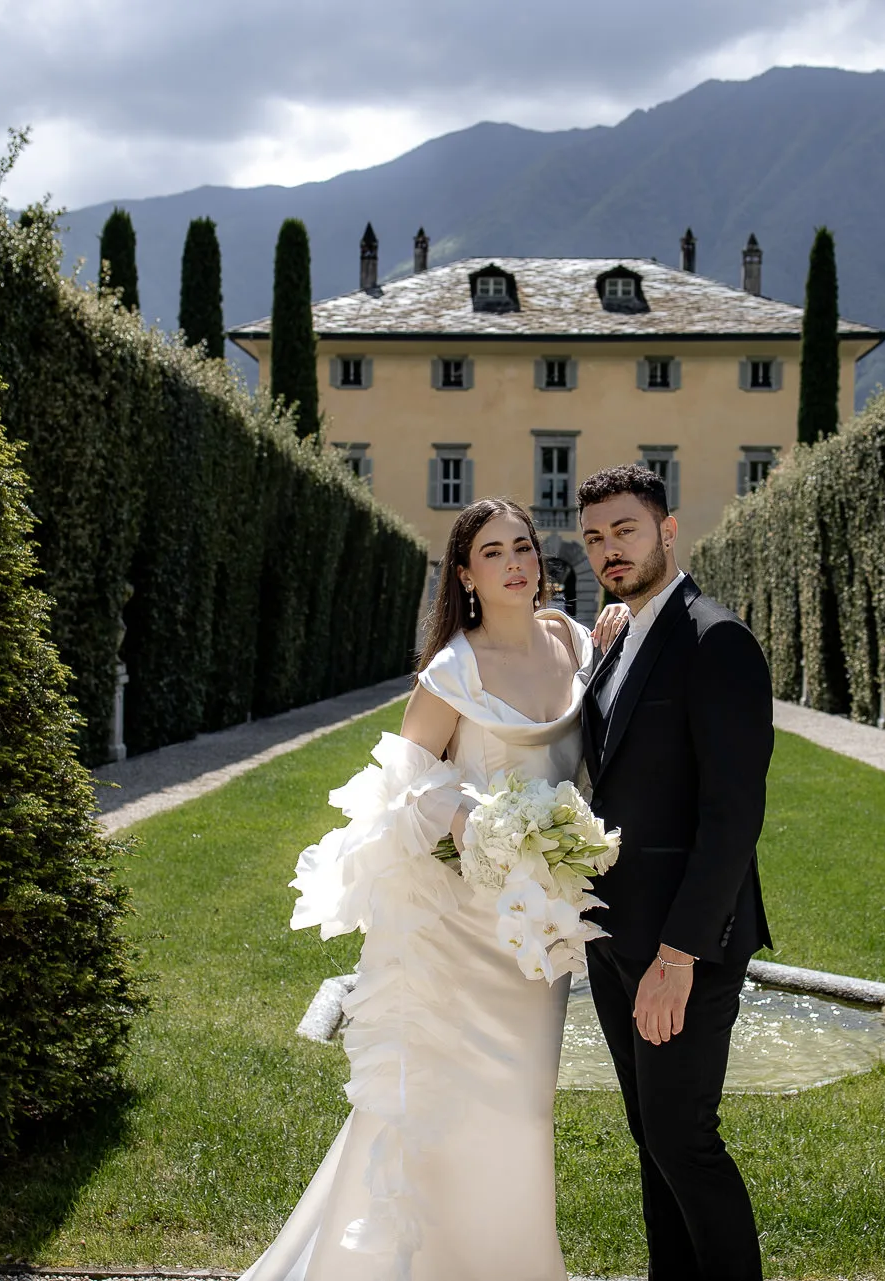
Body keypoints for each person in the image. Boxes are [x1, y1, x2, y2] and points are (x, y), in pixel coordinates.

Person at [242, 496, 625, 1281]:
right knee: (440, 1112)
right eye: (494, 552)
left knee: (524, 1111)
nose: (518, 561)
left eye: (524, 546)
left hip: (537, 930)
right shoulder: (452, 670)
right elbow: (398, 786)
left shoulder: (575, 640)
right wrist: (471, 820)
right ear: (465, 574)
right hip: (460, 932)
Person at [577, 464, 774, 1281]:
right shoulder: (622, 635)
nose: (608, 549)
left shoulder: (715, 638)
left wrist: (679, 954)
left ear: (668, 529)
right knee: (650, 1137)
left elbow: (732, 817)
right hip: (616, 938)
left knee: (683, 1139)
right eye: (593, 537)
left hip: (681, 949)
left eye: (624, 530)